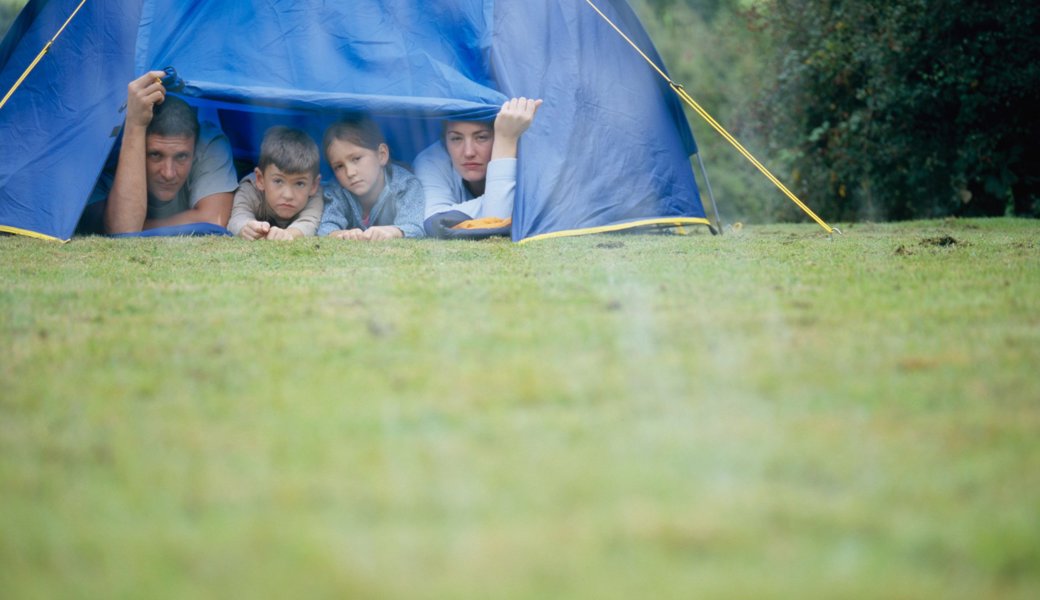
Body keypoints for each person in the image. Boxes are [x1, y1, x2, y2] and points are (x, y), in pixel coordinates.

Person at [78, 71, 238, 234]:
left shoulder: (208, 142)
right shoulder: (104, 153)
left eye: (181, 156)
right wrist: (136, 125)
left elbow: (213, 220)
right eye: (155, 155)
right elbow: (123, 230)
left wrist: (140, 227)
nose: (168, 173)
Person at [413, 97, 542, 235]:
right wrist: (514, 201)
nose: (468, 152)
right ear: (444, 140)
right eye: (456, 138)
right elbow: (436, 221)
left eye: (481, 137)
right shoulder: (431, 159)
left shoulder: (529, 159)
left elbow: (495, 220)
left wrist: (506, 141)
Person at [317, 116, 425, 240]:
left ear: (381, 155)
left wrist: (393, 231)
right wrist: (342, 235)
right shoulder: (335, 190)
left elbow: (414, 226)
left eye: (356, 159)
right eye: (339, 166)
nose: (350, 173)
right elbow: (326, 227)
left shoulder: (405, 185)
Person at [228, 126, 323, 240]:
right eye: (278, 181)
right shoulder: (250, 189)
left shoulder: (314, 196)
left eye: (299, 184)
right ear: (260, 179)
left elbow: (309, 222)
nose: (288, 195)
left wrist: (289, 234)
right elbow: (237, 218)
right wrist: (247, 228)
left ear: (314, 185)